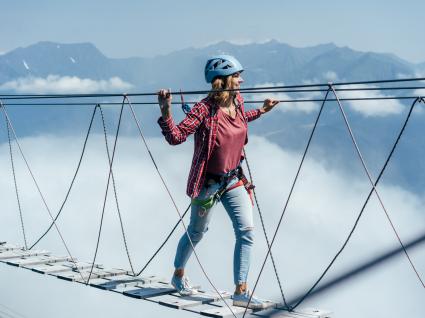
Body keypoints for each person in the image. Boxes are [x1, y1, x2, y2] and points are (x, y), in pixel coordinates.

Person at [157, 55, 279, 309]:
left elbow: (239, 122)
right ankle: (178, 274)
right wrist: (165, 111)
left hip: (233, 179)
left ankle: (241, 291)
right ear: (222, 81)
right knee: (197, 232)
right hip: (208, 184)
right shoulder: (204, 109)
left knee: (246, 232)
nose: (241, 80)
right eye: (236, 76)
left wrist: (263, 111)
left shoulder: (238, 101)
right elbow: (176, 137)